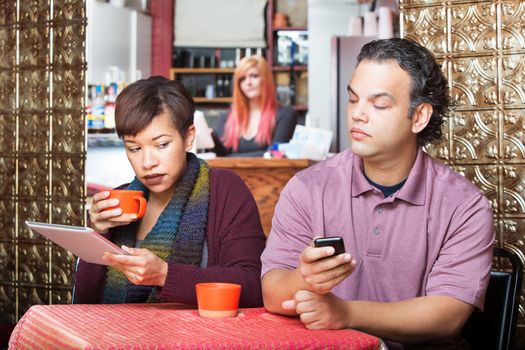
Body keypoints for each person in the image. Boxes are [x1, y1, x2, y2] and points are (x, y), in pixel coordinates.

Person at [260, 38, 495, 349]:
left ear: (420, 117)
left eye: (379, 104)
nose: (358, 114)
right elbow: (272, 292)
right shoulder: (307, 188)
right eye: (353, 99)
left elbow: (448, 314)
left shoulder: (465, 206)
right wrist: (304, 278)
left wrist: (346, 312)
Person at [74, 76, 266, 307]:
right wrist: (97, 233)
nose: (147, 162)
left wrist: (164, 275)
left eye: (162, 145)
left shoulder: (224, 189)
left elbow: (253, 285)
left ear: (188, 137)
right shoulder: (120, 199)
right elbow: (84, 302)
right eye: (134, 148)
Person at [211, 55, 298, 157]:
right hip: (231, 173)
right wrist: (211, 139)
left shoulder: (285, 114)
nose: (248, 82)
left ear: (266, 79)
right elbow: (220, 156)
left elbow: (274, 155)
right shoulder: (226, 118)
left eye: (254, 76)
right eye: (242, 78)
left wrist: (228, 158)